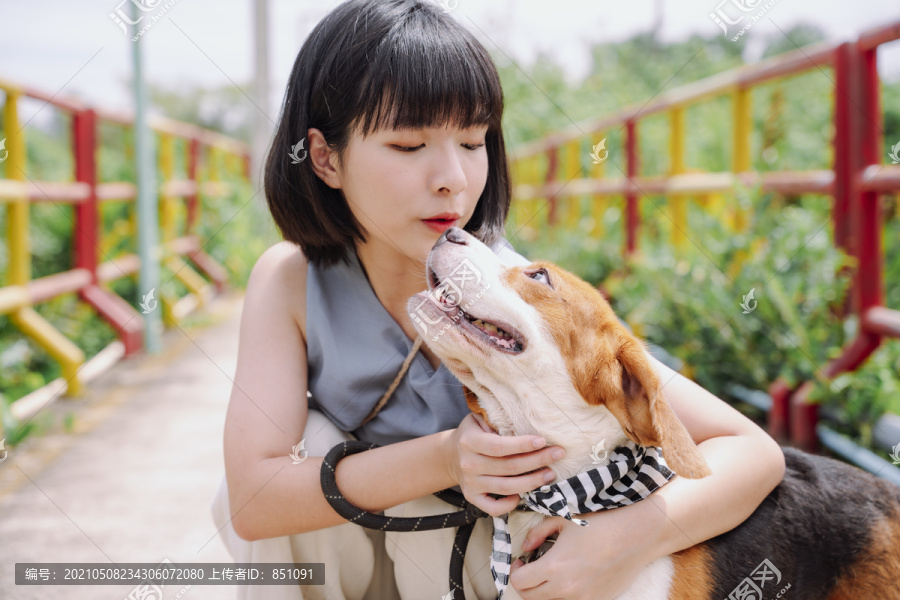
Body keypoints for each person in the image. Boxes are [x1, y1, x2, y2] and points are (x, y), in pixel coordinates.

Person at [211, 0, 787, 598]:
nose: (452, 178)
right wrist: (445, 459)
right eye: (409, 146)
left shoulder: (514, 302)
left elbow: (752, 451)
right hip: (350, 553)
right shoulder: (290, 281)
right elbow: (252, 500)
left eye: (472, 140)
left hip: (484, 563)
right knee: (312, 441)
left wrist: (627, 537)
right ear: (326, 157)